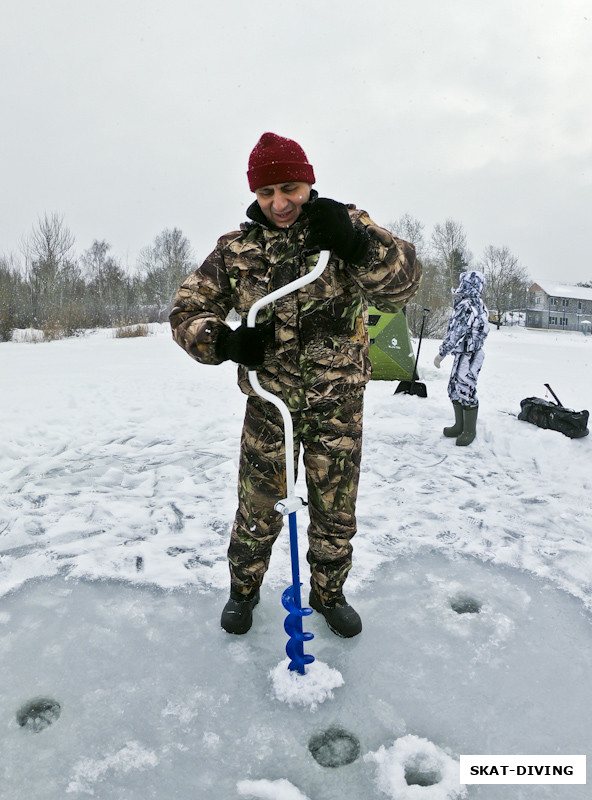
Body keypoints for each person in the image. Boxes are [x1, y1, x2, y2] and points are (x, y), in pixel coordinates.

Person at [170, 132, 421, 638]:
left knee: (335, 515)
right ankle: (243, 591)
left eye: (290, 188)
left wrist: (355, 244)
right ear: (255, 195)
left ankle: (328, 595)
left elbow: (403, 287)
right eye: (267, 193)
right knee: (257, 510)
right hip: (270, 407)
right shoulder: (236, 250)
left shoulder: (344, 226)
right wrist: (223, 342)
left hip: (337, 408)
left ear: (308, 182)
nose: (280, 203)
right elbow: (187, 310)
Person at [433, 270, 489, 446]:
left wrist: (441, 353)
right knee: (455, 388)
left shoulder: (467, 306)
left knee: (465, 389)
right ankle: (460, 425)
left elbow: (456, 333)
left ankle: (469, 430)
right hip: (468, 353)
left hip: (469, 355)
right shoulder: (479, 305)